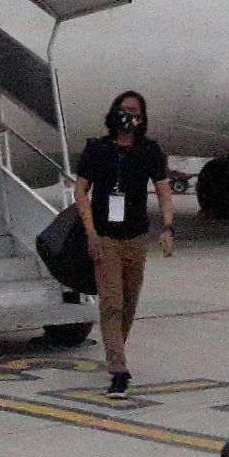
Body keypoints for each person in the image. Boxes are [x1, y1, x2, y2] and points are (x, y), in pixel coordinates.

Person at [74, 91, 175, 397]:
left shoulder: (149, 150)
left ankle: (116, 352)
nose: (128, 116)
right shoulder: (97, 149)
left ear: (142, 119)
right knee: (111, 303)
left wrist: (167, 227)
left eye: (134, 112)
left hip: (135, 238)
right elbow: (81, 191)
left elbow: (163, 192)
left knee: (129, 304)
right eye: (123, 109)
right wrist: (91, 233)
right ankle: (118, 369)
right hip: (105, 237)